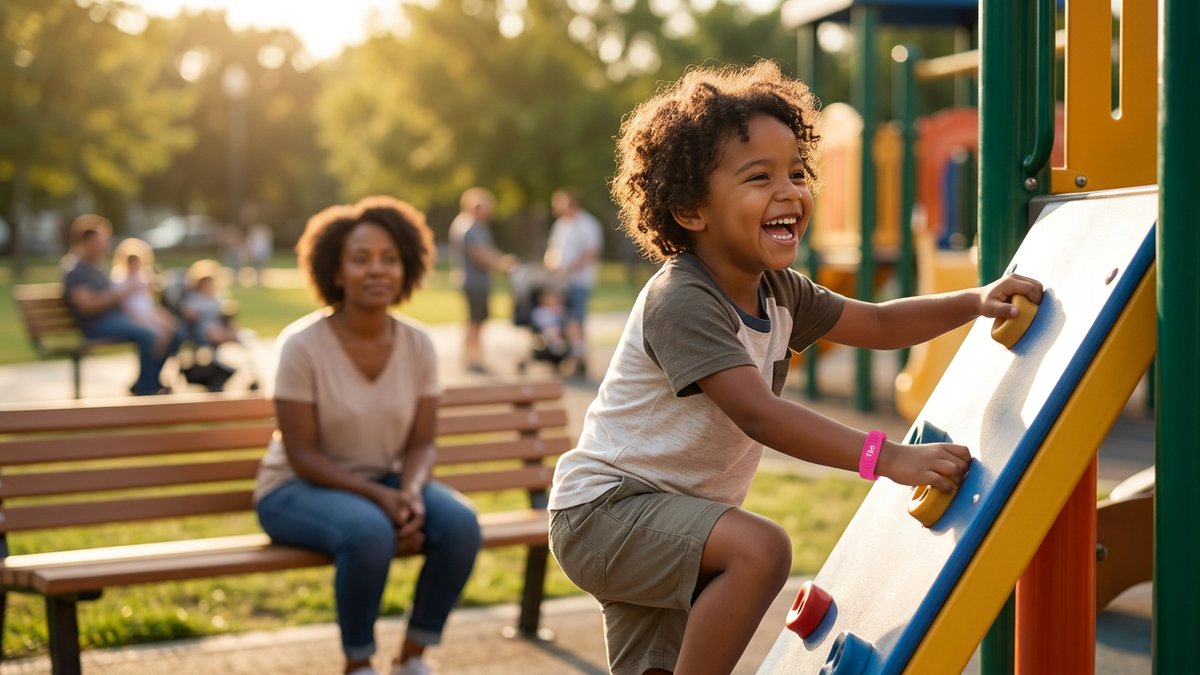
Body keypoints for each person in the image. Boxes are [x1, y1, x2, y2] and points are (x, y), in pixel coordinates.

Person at [546, 61, 1044, 675]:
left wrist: (971, 301)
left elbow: (881, 325)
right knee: (761, 552)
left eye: (797, 172)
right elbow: (759, 413)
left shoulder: (780, 290)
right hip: (606, 513)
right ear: (689, 209)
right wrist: (886, 458)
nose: (789, 191)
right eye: (759, 177)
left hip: (680, 519)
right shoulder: (682, 299)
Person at [254, 195, 482, 675]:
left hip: (384, 483)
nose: (377, 270)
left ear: (406, 269)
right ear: (336, 272)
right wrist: (379, 496)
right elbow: (300, 453)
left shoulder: (419, 344)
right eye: (360, 259)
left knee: (460, 524)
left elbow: (422, 442)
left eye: (389, 259)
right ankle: (358, 663)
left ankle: (412, 659)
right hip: (295, 490)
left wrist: (413, 493)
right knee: (368, 531)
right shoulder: (301, 345)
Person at [61, 214, 183, 395]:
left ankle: (148, 381)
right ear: (87, 242)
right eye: (101, 241)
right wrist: (120, 293)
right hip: (96, 324)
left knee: (175, 332)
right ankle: (147, 388)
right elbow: (88, 307)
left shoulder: (96, 267)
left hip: (116, 317)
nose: (105, 246)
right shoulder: (76, 270)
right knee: (149, 335)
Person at [446, 187, 515, 374]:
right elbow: (479, 253)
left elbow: (487, 250)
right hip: (473, 281)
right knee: (475, 321)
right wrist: (501, 265)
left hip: (477, 280)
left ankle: (473, 355)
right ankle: (472, 357)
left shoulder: (474, 226)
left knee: (475, 320)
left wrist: (501, 260)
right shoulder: (469, 226)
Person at [543, 188, 603, 374]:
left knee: (576, 318)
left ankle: (579, 357)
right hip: (561, 281)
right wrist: (551, 264)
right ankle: (561, 354)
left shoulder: (588, 224)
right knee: (560, 318)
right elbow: (552, 249)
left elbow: (590, 253)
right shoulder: (561, 225)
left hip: (580, 280)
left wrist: (569, 269)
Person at [110, 237, 178, 358]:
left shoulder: (143, 278)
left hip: (148, 311)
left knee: (172, 327)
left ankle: (158, 362)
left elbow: (150, 298)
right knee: (158, 334)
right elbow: (121, 301)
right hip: (135, 313)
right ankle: (153, 361)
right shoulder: (120, 279)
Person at [178, 260, 239, 392]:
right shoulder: (194, 298)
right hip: (201, 328)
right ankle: (216, 369)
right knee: (211, 330)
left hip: (217, 325)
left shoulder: (216, 298)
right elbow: (189, 314)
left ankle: (220, 369)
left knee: (226, 328)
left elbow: (225, 312)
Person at [530, 285, 569, 359]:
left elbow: (564, 320)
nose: (551, 301)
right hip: (544, 333)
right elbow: (539, 323)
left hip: (559, 332)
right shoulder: (539, 312)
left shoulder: (559, 310)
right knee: (551, 332)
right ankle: (556, 346)